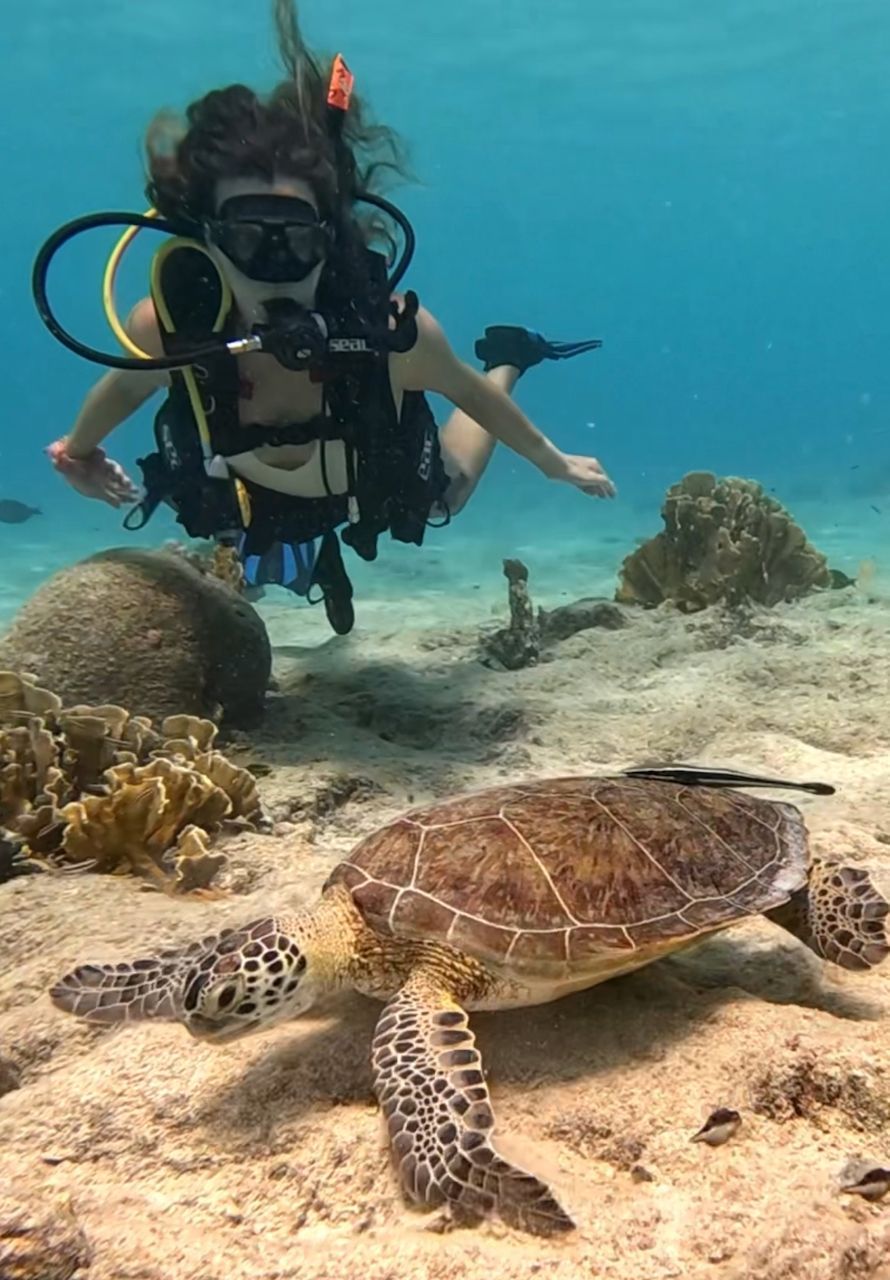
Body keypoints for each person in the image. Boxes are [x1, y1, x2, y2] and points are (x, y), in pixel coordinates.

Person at [46, 1, 614, 634]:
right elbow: (125, 386)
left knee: (445, 497)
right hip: (249, 481)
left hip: (357, 472)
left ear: (329, 239)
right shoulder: (171, 329)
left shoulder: (392, 332)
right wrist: (77, 453)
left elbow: (467, 392)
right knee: (224, 521)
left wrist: (552, 461)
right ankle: (302, 561)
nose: (275, 268)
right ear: (207, 244)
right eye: (247, 240)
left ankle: (509, 357)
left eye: (296, 241)